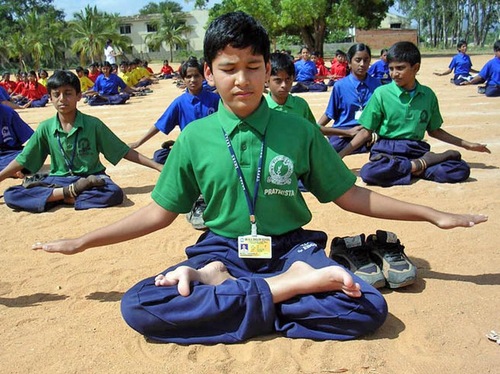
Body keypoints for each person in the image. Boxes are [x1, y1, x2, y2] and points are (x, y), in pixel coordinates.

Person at [32, 12, 487, 346]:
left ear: (269, 70)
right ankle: (279, 292)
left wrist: (432, 214)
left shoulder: (300, 131)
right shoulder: (195, 138)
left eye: (254, 66)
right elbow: (156, 212)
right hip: (220, 251)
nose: (242, 80)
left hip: (292, 250)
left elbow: (351, 195)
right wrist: (83, 241)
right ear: (209, 73)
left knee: (368, 306)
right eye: (228, 68)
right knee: (139, 305)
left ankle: (244, 293)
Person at [0, 70, 162, 213]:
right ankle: (68, 194)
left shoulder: (93, 124)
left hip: (92, 178)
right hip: (58, 180)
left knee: (114, 193)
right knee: (11, 195)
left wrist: (156, 166)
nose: (62, 99)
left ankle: (58, 197)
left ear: (79, 95)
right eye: (56, 94)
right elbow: (23, 159)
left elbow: (123, 151)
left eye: (68, 93)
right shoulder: (45, 127)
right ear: (50, 97)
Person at [338, 41, 491, 187]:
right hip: (387, 150)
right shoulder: (381, 94)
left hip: (416, 149)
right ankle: (418, 167)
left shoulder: (428, 95)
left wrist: (468, 145)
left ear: (415, 68)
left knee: (460, 170)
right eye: (391, 68)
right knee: (369, 173)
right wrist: (340, 156)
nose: (394, 74)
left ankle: (410, 167)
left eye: (400, 68)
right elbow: (365, 132)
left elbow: (434, 131)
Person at [129, 57, 220, 164]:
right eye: (188, 77)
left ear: (203, 77)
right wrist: (138, 143)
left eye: (196, 76)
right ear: (183, 79)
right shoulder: (179, 103)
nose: (192, 80)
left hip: (212, 146)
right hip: (190, 147)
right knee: (160, 156)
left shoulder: (215, 100)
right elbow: (159, 124)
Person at [317, 43, 381, 153]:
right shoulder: (340, 86)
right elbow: (329, 113)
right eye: (358, 60)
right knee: (329, 151)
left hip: (368, 133)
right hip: (345, 134)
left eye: (366, 60)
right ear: (349, 62)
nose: (362, 64)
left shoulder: (377, 85)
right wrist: (318, 127)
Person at [264, 52, 316, 125]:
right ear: (266, 80)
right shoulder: (261, 108)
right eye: (278, 80)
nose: (284, 85)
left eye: (288, 79)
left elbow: (313, 130)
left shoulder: (300, 105)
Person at [0, 103, 34, 172]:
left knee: (31, 154)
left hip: (10, 152)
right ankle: (11, 170)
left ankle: (10, 169)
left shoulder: (7, 111)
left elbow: (31, 138)